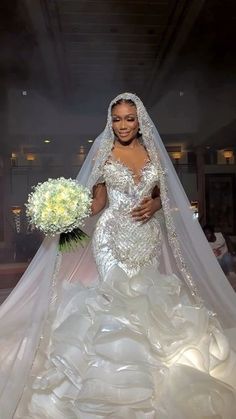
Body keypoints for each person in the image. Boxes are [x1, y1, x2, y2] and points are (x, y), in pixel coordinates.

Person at [1, 93, 236, 418]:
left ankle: (150, 376)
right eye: (117, 119)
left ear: (140, 121)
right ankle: (111, 382)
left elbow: (162, 195)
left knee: (146, 295)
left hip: (147, 236)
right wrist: (63, 211)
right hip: (111, 236)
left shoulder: (153, 150)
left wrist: (155, 204)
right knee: (115, 295)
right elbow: (98, 203)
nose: (123, 125)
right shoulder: (103, 151)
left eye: (129, 118)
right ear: (109, 121)